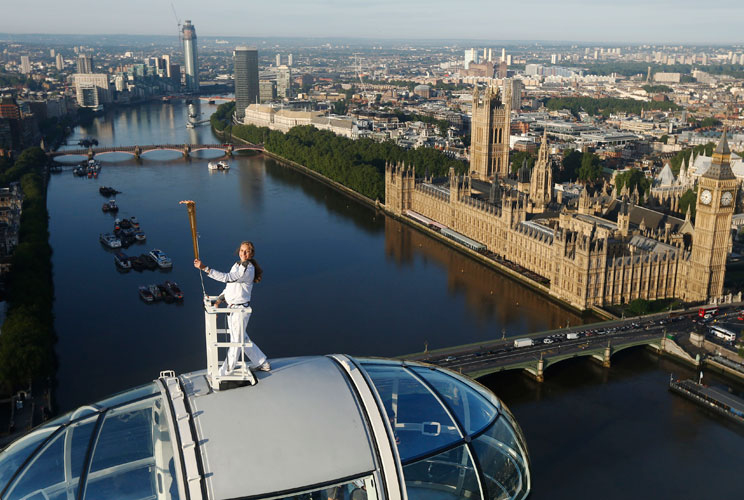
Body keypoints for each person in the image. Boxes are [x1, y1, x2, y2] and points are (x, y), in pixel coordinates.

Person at [194, 241, 270, 374]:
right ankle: (262, 363)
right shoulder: (237, 265)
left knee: (236, 342)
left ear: (251, 253)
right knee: (242, 339)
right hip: (233, 309)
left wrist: (205, 268)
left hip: (239, 310)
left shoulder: (247, 268)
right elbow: (230, 287)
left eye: (246, 251)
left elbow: (228, 278)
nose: (243, 253)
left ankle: (225, 373)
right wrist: (218, 301)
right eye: (241, 250)